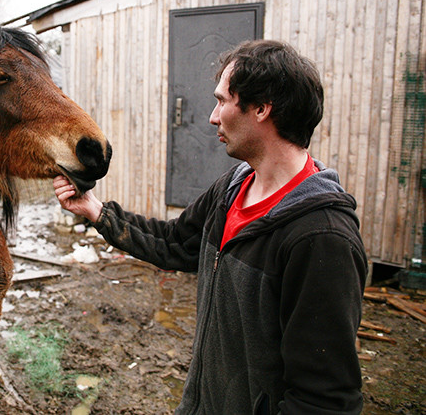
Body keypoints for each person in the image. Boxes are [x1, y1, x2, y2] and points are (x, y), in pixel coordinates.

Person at [54, 39, 367, 414]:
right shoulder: (234, 188)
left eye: (222, 101)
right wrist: (96, 211)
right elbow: (175, 242)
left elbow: (324, 401)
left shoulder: (321, 238)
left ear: (262, 109)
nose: (212, 116)